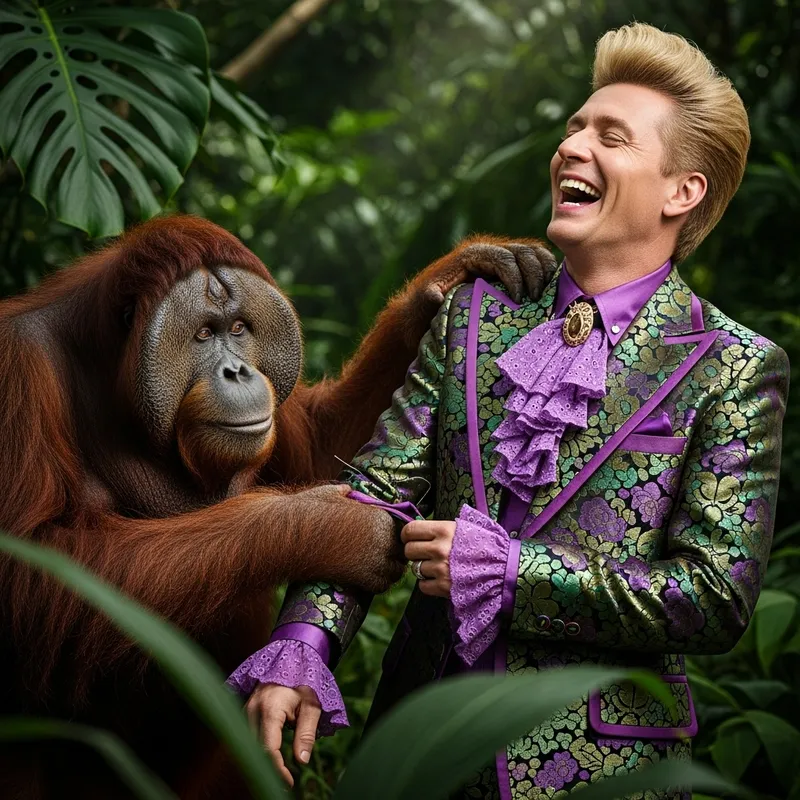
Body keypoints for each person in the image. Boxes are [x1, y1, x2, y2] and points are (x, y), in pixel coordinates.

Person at [229, 22, 788, 797]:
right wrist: (304, 642)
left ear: (681, 192)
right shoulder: (469, 319)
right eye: (575, 128)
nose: (572, 147)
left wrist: (517, 573)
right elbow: (378, 499)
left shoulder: (733, 365)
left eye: (611, 137)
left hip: (600, 773)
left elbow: (715, 596)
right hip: (419, 748)